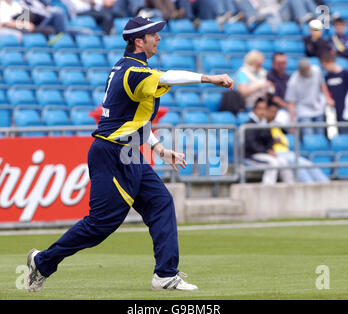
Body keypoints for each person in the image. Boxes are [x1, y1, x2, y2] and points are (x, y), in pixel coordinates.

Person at [26, 16, 234, 292]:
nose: (158, 38)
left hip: (130, 152)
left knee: (161, 203)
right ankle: (42, 262)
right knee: (101, 224)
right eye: (153, 34)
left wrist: (159, 148)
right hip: (112, 153)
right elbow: (169, 76)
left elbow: (134, 119)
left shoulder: (132, 69)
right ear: (139, 41)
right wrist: (210, 78)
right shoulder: (134, 72)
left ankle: (165, 275)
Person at [266, 102, 330, 183]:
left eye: (275, 112)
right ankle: (310, 186)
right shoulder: (262, 126)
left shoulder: (277, 125)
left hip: (286, 152)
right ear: (266, 111)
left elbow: (287, 134)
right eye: (271, 112)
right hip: (276, 154)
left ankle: (325, 183)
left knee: (308, 164)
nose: (273, 115)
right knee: (300, 167)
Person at [244, 98, 295, 185]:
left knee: (283, 162)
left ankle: (291, 187)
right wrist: (266, 151)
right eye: (260, 109)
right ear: (255, 110)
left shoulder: (264, 125)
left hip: (265, 154)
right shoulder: (249, 125)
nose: (262, 112)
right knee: (273, 163)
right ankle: (267, 189)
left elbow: (270, 140)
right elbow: (251, 144)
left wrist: (270, 150)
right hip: (252, 156)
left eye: (264, 109)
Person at [285, 58, 334, 135]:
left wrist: (328, 98)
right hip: (303, 111)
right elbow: (291, 103)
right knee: (309, 136)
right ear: (299, 71)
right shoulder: (293, 81)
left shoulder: (316, 71)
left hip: (318, 108)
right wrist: (292, 123)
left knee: (320, 135)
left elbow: (322, 85)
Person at [320, 52, 348, 134]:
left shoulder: (345, 74)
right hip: (332, 114)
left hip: (345, 113)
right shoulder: (327, 77)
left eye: (325, 66)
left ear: (331, 61)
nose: (325, 69)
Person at [267, 52, 291, 125]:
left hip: (288, 109)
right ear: (273, 63)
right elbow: (273, 97)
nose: (282, 66)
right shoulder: (269, 77)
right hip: (275, 111)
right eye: (279, 63)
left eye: (283, 63)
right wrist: (288, 106)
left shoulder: (287, 77)